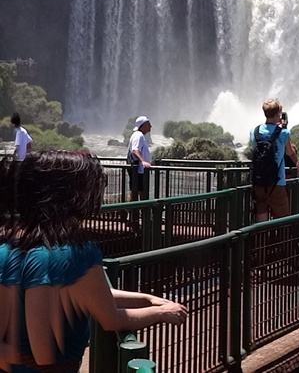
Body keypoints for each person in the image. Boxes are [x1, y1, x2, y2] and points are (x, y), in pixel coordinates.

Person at [0, 151, 188, 372]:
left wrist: (147, 299)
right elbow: (111, 319)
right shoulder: (76, 252)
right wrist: (162, 313)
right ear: (72, 194)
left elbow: (88, 292)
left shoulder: (7, 243)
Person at [247, 100, 293, 222]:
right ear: (278, 114)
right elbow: (290, 152)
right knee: (282, 219)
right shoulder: (284, 133)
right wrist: (298, 164)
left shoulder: (254, 131)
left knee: (261, 216)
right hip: (277, 181)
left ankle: (261, 241)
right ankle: (280, 241)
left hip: (259, 181)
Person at [126, 117, 153, 202]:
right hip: (138, 170)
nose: (151, 126)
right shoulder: (138, 135)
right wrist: (143, 161)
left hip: (139, 169)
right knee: (140, 192)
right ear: (143, 125)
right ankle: (137, 213)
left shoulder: (139, 135)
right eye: (148, 124)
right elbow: (135, 150)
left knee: (137, 192)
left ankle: (135, 213)